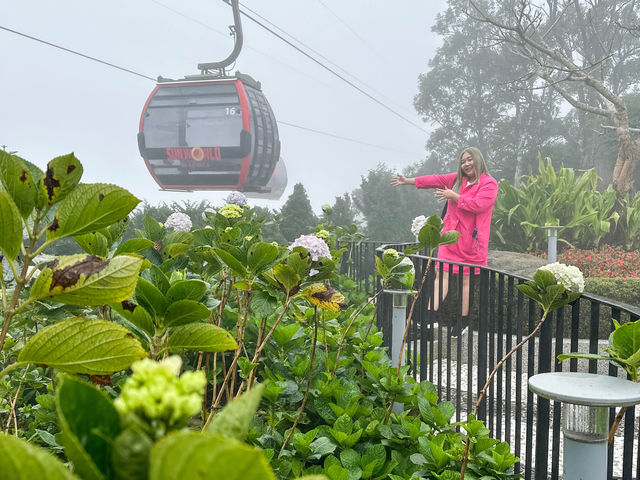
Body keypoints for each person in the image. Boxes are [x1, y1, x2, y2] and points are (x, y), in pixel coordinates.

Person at [391, 147, 498, 332]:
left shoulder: (489, 184)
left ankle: (463, 322)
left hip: (471, 241)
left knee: (466, 280)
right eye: (463, 161)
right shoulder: (457, 180)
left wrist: (453, 196)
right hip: (449, 237)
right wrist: (408, 181)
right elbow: (435, 179)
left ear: (478, 160)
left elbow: (478, 205)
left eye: (469, 159)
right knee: (442, 276)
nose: (466, 164)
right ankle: (430, 317)